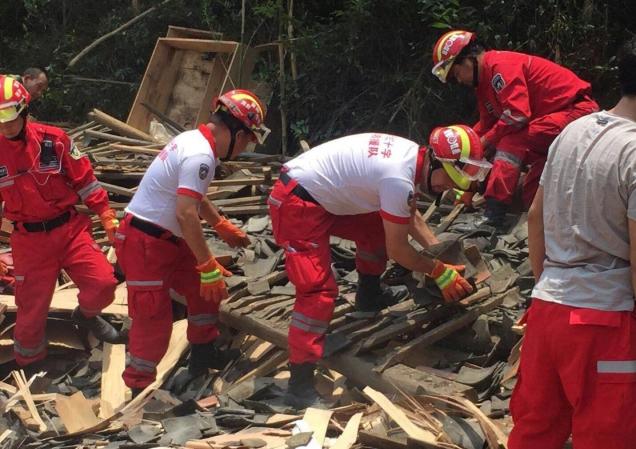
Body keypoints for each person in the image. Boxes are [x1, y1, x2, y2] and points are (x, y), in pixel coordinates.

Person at [267, 130, 475, 409]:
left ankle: (369, 294)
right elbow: (398, 251)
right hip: (297, 202)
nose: (445, 187)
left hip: (321, 196)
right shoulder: (397, 177)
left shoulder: (412, 158)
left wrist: (440, 253)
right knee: (317, 291)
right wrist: (438, 271)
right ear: (436, 163)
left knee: (379, 226)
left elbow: (407, 217)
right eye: (447, 180)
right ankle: (299, 386)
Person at [508, 37, 636, 449]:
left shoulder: (574, 130)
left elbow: (535, 218)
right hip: (604, 321)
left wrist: (548, 287)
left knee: (534, 431)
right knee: (607, 436)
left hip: (548, 310)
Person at [114, 89, 269, 395]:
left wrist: (219, 223)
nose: (244, 148)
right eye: (248, 139)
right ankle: (137, 392)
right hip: (145, 242)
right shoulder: (200, 154)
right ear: (237, 132)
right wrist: (208, 264)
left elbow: (193, 196)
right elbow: (186, 214)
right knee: (153, 320)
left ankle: (202, 357)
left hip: (166, 239)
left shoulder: (194, 142)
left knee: (206, 292)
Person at [0, 76, 124, 368]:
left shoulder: (53, 140)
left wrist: (106, 215)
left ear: (24, 110)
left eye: (9, 118)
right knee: (30, 311)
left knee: (104, 283)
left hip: (69, 231)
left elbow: (87, 183)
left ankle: (86, 314)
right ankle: (30, 368)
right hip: (29, 241)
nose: (4, 127)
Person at [431, 30, 599, 227]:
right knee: (532, 190)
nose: (459, 81)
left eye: (457, 74)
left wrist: (484, 142)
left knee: (510, 142)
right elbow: (486, 125)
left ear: (468, 60)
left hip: (576, 112)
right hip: (551, 122)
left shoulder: (501, 67)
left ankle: (493, 215)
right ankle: (543, 226)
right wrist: (461, 146)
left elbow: (517, 115)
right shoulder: (484, 83)